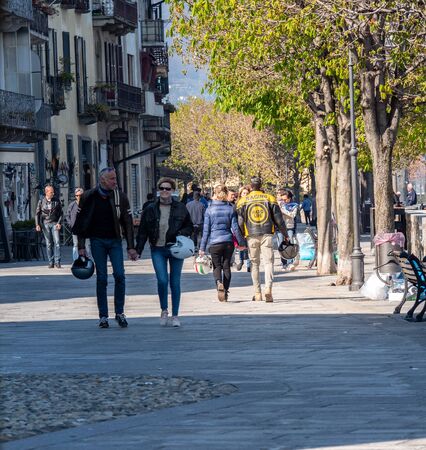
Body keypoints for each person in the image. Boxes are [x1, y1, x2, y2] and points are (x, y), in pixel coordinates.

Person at [72, 167, 138, 329]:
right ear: (102, 180)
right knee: (101, 277)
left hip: (115, 241)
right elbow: (80, 222)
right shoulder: (88, 196)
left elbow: (128, 223)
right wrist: (81, 246)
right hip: (97, 241)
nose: (115, 181)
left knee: (120, 276)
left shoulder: (120, 197)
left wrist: (131, 247)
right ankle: (103, 316)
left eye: (115, 178)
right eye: (112, 179)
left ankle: (120, 313)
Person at [136, 177, 193, 327]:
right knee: (162, 281)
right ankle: (164, 310)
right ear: (158, 190)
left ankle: (175, 315)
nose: (164, 191)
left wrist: (181, 232)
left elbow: (190, 227)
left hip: (175, 248)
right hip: (157, 249)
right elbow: (143, 231)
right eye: (162, 188)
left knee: (175, 282)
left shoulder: (181, 207)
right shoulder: (150, 208)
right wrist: (138, 250)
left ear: (173, 191)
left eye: (168, 188)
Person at [237, 177, 288, 302]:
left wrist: (241, 237)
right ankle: (268, 289)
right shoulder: (270, 198)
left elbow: (240, 222)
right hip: (267, 234)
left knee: (254, 264)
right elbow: (279, 219)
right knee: (268, 262)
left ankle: (257, 292)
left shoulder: (242, 201)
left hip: (251, 235)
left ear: (251, 186)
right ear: (261, 185)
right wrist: (285, 234)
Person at [199, 184, 246, 302]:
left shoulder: (209, 210)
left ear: (215, 193)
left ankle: (219, 283)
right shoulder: (230, 209)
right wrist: (241, 242)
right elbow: (235, 228)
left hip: (214, 242)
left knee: (217, 267)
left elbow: (206, 231)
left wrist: (202, 248)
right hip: (228, 242)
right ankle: (226, 291)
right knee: (226, 267)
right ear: (226, 194)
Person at [35, 185, 63, 269]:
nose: (53, 193)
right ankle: (51, 262)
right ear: (46, 192)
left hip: (54, 223)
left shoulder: (56, 200)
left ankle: (57, 262)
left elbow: (61, 213)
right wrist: (37, 224)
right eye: (51, 192)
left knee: (57, 242)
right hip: (45, 223)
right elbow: (37, 214)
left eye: (53, 192)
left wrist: (59, 223)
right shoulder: (41, 201)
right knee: (48, 243)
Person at [66, 188, 91, 261]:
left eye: (80, 195)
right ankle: (76, 260)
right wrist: (71, 224)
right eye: (76, 195)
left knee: (87, 245)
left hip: (85, 229)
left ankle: (88, 259)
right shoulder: (72, 205)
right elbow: (68, 215)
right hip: (75, 228)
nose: (78, 197)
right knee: (75, 244)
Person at [278, 189, 299, 271]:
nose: (283, 201)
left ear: (289, 198)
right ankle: (284, 263)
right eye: (282, 199)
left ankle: (290, 263)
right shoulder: (279, 205)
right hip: (280, 228)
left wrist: (282, 210)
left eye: (285, 199)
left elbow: (292, 215)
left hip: (289, 227)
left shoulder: (294, 205)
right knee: (281, 244)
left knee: (289, 244)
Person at [236, 185, 251, 272]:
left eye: (247, 193)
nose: (245, 194)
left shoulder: (251, 203)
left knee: (249, 247)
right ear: (240, 194)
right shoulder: (238, 203)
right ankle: (241, 261)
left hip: (249, 227)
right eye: (243, 193)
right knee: (241, 246)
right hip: (240, 228)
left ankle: (249, 264)